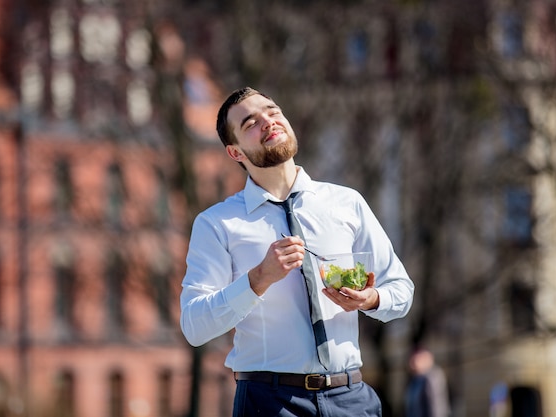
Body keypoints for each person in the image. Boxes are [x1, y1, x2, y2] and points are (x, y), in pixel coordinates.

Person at [180, 87, 414, 417]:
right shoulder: (217, 224)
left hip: (352, 399)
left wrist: (371, 299)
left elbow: (402, 291)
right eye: (250, 123)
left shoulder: (347, 204)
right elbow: (194, 326)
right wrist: (257, 280)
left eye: (273, 111)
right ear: (235, 153)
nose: (268, 122)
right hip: (269, 403)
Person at [404, 348, 450, 417]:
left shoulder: (433, 377)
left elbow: (436, 407)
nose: (411, 364)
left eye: (414, 360)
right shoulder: (414, 379)